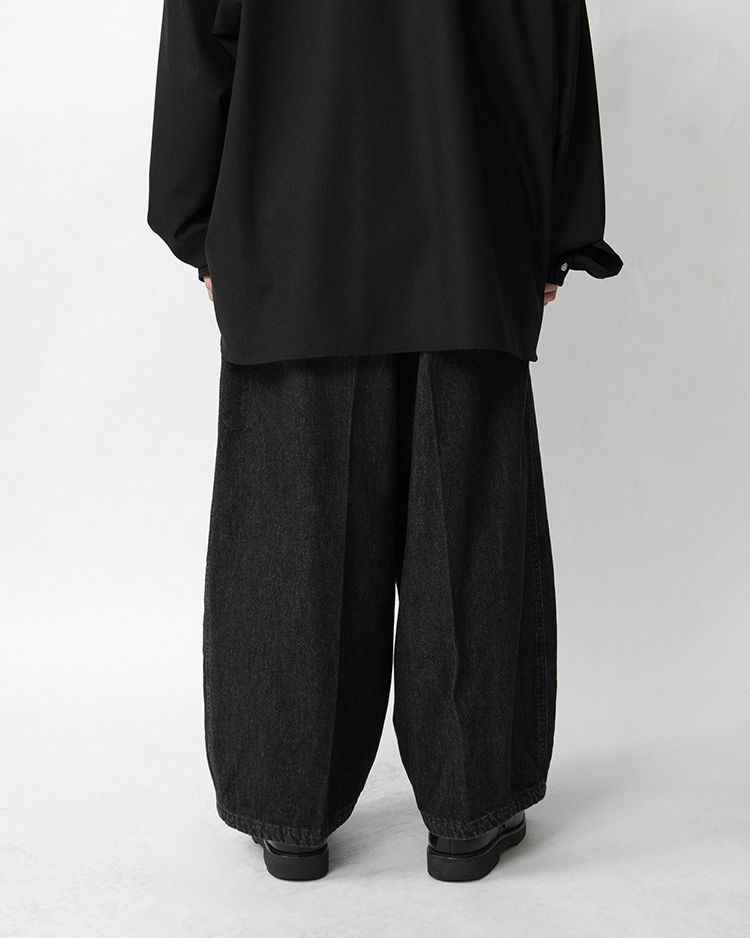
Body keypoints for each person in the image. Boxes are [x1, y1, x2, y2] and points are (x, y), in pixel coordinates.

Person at [147, 0, 622, 882]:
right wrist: (554, 233)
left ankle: (289, 815)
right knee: (467, 534)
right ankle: (469, 814)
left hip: (293, 243)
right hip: (469, 233)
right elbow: (552, 36)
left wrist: (202, 227)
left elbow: (197, 48)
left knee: (294, 542)